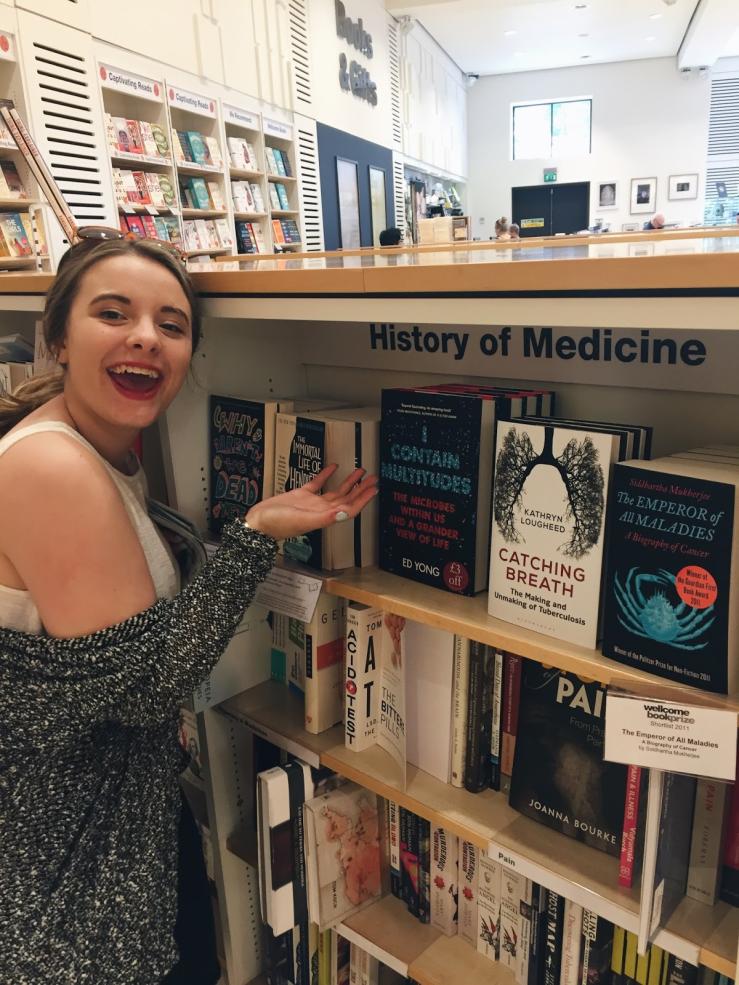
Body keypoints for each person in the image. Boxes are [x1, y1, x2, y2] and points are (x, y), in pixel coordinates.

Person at [0, 237, 377, 985]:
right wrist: (253, 536)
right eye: (113, 313)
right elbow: (143, 687)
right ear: (57, 339)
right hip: (69, 855)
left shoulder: (100, 449)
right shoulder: (52, 464)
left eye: (171, 325)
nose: (145, 335)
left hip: (100, 821)